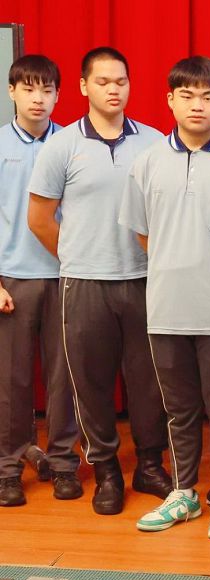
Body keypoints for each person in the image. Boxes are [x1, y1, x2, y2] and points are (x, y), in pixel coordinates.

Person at [27, 46, 170, 515]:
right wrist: (79, 255)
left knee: (150, 382)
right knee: (90, 383)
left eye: (121, 81)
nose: (113, 89)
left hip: (144, 279)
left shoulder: (154, 143)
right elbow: (39, 219)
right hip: (84, 284)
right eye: (103, 81)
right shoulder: (62, 145)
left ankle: (149, 466)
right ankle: (107, 471)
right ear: (84, 86)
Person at [119, 56, 210, 539]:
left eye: (208, 96)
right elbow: (144, 235)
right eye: (187, 95)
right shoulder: (147, 161)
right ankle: (183, 492)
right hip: (166, 307)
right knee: (178, 409)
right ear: (170, 100)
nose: (197, 105)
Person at [0, 55, 81, 507]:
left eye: (47, 90)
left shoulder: (71, 144)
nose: (38, 98)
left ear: (58, 95)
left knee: (64, 377)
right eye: (28, 89)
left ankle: (64, 463)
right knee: (11, 382)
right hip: (12, 278)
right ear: (12, 91)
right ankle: (8, 470)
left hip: (65, 275)